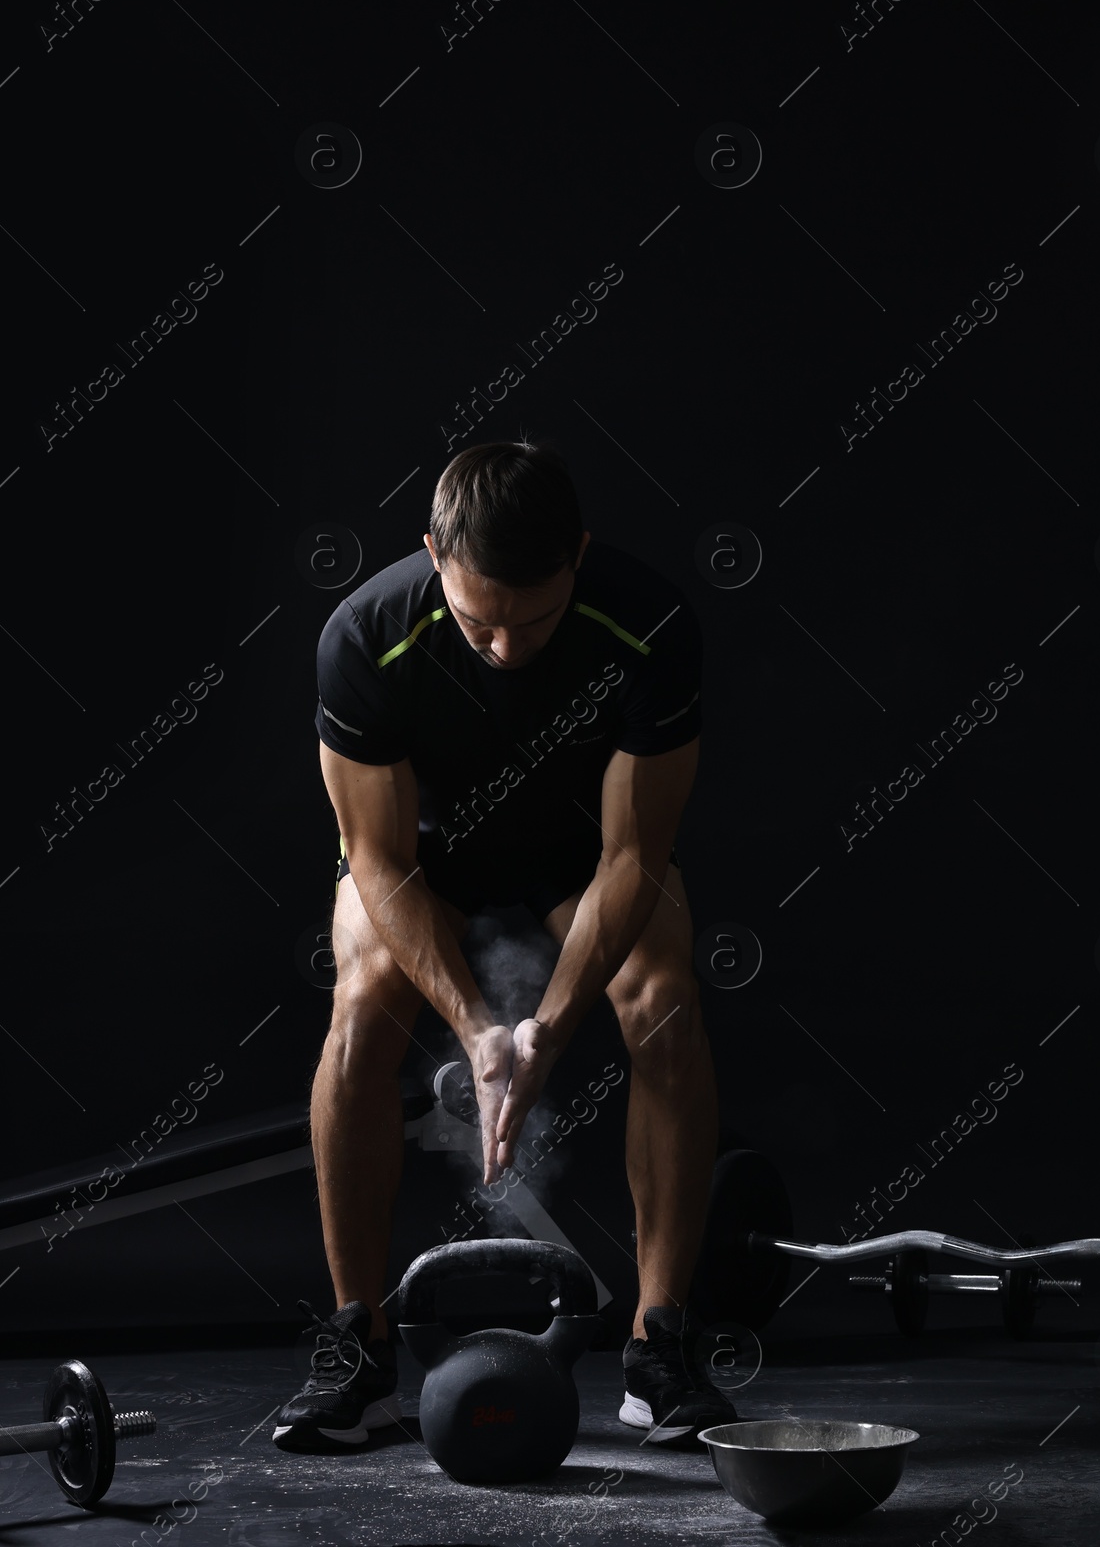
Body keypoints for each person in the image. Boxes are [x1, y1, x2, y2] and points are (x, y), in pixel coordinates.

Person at [273, 439, 734, 1453]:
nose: (507, 649)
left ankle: (660, 1347)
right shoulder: (363, 636)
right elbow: (378, 859)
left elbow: (634, 854)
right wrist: (483, 1033)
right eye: (480, 624)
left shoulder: (646, 625)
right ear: (432, 552)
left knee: (662, 997)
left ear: (575, 554)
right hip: (424, 865)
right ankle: (359, 1351)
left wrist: (547, 1032)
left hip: (580, 863)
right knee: (359, 1001)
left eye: (534, 622)